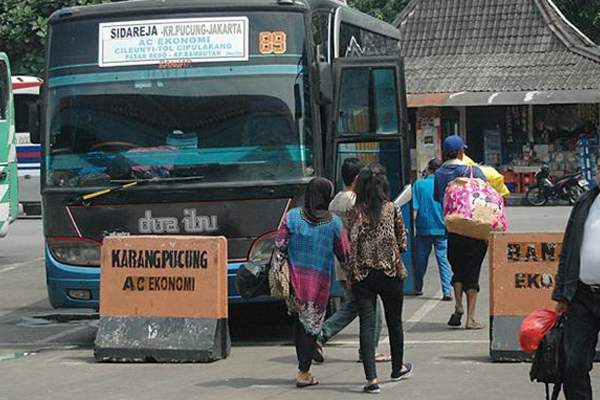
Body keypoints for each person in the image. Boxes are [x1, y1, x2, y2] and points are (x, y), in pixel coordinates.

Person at [274, 177, 349, 388]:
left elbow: (280, 245)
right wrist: (353, 277)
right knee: (312, 326)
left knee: (300, 322)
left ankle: (303, 366)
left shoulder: (292, 216)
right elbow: (344, 254)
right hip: (318, 284)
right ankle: (303, 372)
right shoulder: (333, 223)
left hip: (294, 281)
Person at [346, 164, 413, 394]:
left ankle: (371, 380)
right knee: (395, 322)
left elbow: (349, 244)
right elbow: (402, 243)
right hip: (390, 274)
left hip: (362, 277)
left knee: (366, 324)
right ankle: (397, 367)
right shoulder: (393, 209)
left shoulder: (354, 212)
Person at [315, 158, 389, 363]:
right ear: (357, 178)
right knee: (371, 310)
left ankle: (321, 336)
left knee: (354, 304)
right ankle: (323, 335)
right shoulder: (353, 202)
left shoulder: (334, 201)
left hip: (340, 263)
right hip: (356, 263)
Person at [552, 150, 600, 400]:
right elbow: (569, 249)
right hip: (582, 296)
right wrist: (562, 294)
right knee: (573, 363)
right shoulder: (585, 203)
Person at [433, 135, 488, 330]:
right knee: (472, 273)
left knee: (457, 269)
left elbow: (438, 197)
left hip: (453, 229)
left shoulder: (438, 173)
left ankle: (458, 305)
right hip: (473, 228)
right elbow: (487, 192)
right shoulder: (471, 170)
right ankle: (471, 318)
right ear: (460, 152)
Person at [413, 158, 453, 300]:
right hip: (442, 228)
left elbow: (415, 209)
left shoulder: (419, 184)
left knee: (420, 260)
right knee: (443, 260)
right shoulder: (445, 185)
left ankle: (417, 287)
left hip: (423, 229)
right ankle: (447, 291)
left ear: (428, 169)